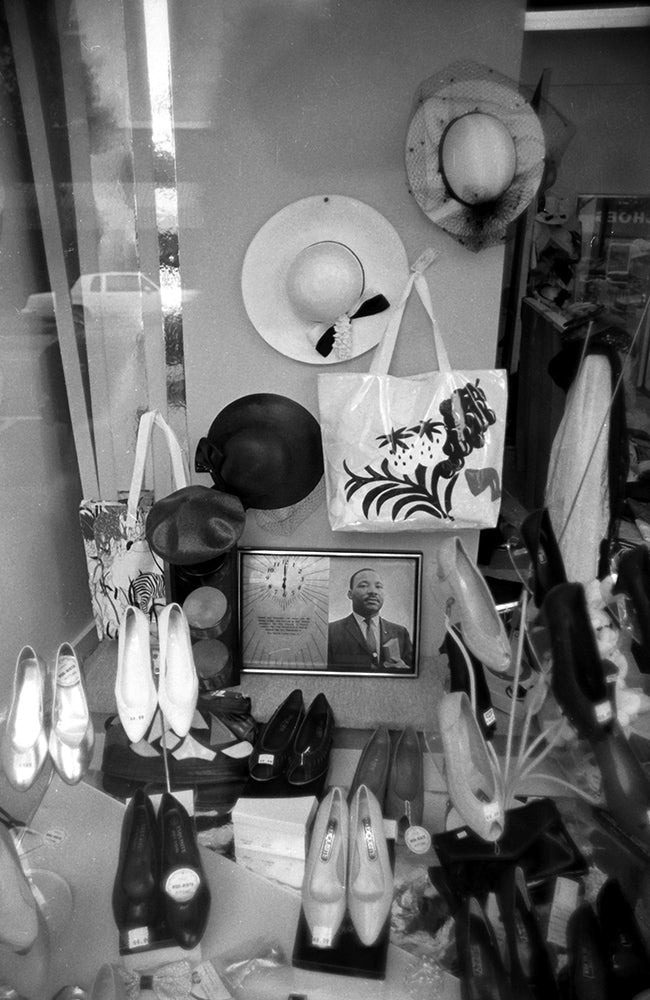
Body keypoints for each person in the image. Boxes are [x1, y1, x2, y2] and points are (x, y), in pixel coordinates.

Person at [327, 567, 413, 672]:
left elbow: (415, 672)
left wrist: (404, 670)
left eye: (378, 586)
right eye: (363, 586)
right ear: (350, 594)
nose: (373, 591)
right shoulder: (330, 632)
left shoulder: (400, 632)